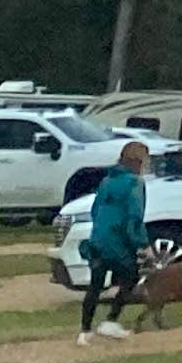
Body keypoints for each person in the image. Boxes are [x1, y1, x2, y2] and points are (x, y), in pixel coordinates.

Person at [77, 138, 152, 340]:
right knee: (130, 277)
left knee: (96, 285)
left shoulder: (106, 181)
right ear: (139, 161)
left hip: (99, 238)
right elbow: (134, 217)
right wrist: (143, 245)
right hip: (118, 241)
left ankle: (84, 331)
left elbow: (95, 210)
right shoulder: (135, 183)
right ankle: (110, 321)